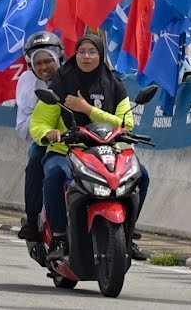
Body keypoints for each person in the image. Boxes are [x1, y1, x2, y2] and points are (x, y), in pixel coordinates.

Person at [29, 32, 149, 262]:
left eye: (92, 51)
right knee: (54, 174)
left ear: (101, 54)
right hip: (68, 150)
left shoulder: (115, 84)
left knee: (142, 175)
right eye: (82, 51)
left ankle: (128, 234)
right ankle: (60, 237)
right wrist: (49, 134)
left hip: (108, 151)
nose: (86, 56)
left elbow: (127, 123)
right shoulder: (62, 82)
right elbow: (39, 122)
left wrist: (87, 109)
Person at [15, 31, 63, 241]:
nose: (44, 67)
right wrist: (43, 131)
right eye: (38, 63)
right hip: (47, 139)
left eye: (48, 61)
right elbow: (23, 126)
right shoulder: (26, 84)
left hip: (80, 136)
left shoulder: (73, 74)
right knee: (35, 161)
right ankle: (32, 219)